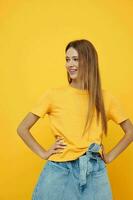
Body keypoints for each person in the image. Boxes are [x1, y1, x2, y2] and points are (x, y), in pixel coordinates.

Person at [17, 39, 133, 200]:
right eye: (67, 59)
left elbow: (130, 132)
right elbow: (22, 128)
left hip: (94, 171)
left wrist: (110, 156)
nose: (70, 64)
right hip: (59, 171)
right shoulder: (53, 95)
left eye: (76, 59)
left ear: (89, 61)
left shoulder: (105, 98)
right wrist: (44, 153)